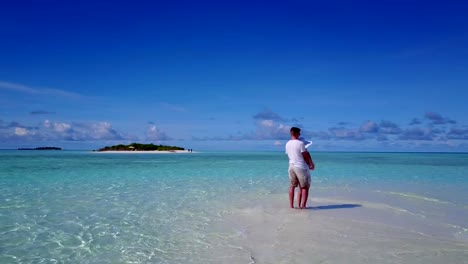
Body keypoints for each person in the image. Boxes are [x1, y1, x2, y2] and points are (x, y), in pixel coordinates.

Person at [285, 127, 315, 209]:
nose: (300, 134)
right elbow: (305, 155)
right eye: (299, 133)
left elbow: (289, 155)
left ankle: (291, 206)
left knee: (292, 186)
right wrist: (311, 164)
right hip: (300, 167)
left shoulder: (287, 143)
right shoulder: (300, 143)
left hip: (291, 166)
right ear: (295, 133)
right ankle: (303, 206)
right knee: (304, 187)